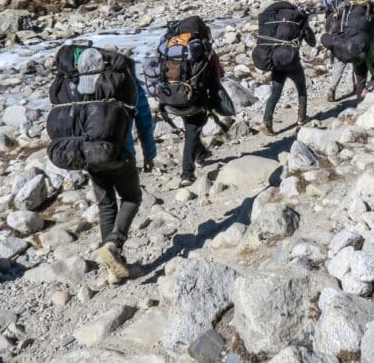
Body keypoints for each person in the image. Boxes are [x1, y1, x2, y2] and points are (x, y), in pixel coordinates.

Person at [46, 43, 156, 285]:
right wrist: (149, 152)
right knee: (132, 198)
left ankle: (112, 270)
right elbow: (144, 118)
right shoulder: (124, 82)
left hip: (88, 156)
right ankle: (114, 245)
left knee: (106, 206)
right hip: (119, 152)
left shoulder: (76, 86)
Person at [145, 16, 234, 187]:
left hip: (169, 96)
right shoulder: (203, 51)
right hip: (193, 98)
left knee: (190, 127)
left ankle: (201, 154)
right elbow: (217, 77)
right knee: (193, 130)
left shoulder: (169, 47)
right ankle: (187, 173)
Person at [260, 2, 316, 135]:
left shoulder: (276, 21)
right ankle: (302, 118)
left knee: (275, 93)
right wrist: (305, 27)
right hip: (292, 61)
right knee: (301, 88)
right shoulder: (299, 21)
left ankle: (266, 122)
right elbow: (312, 42)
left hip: (276, 60)